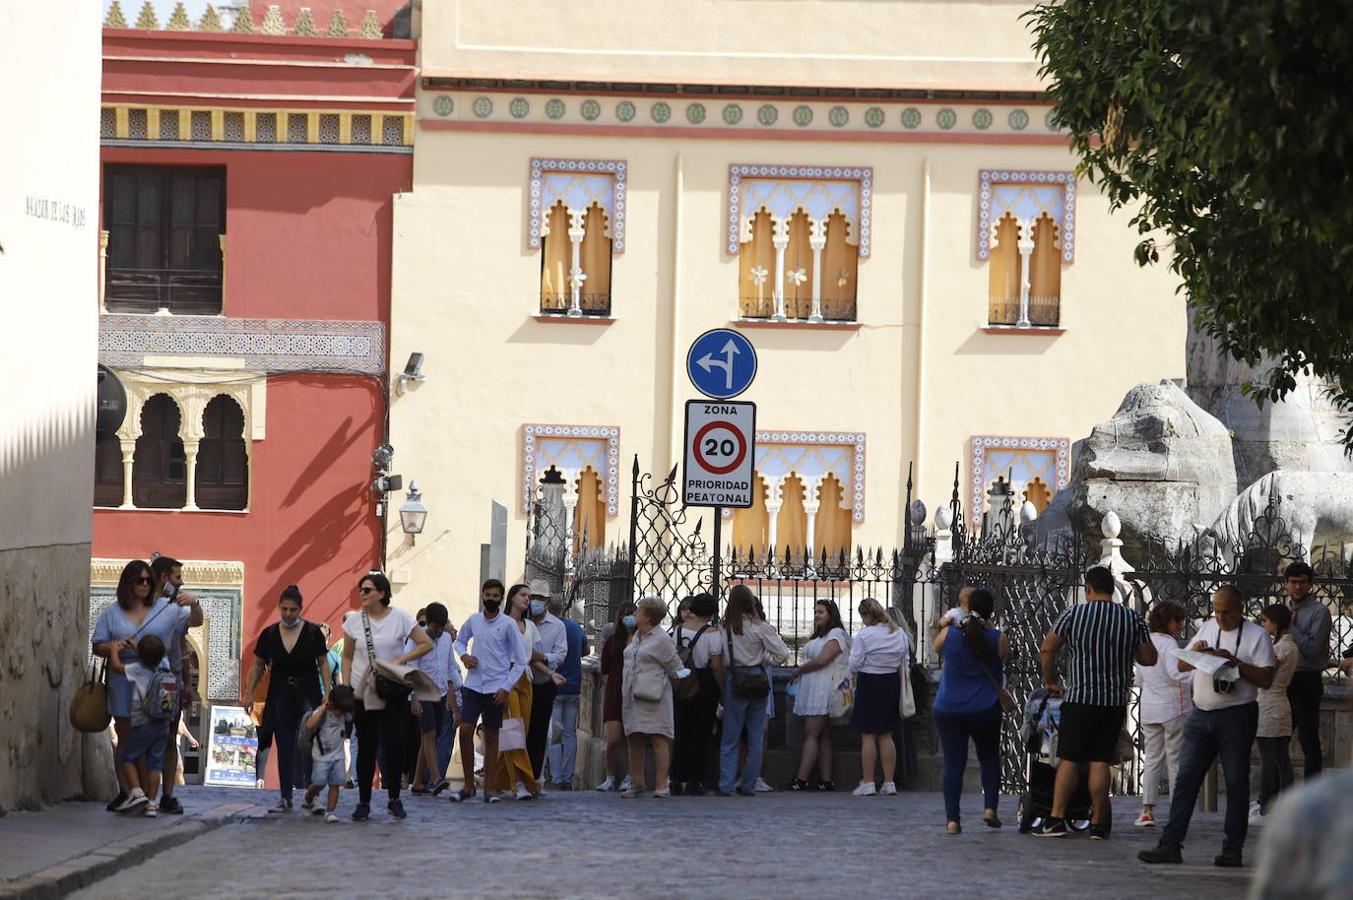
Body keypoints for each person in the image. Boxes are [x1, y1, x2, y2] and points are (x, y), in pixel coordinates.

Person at [1139, 585, 1277, 868]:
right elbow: (1180, 665)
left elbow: (1266, 679)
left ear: (1240, 609)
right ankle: (1170, 844)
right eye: (1216, 610)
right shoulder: (1207, 628)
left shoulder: (1257, 636)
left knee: (1237, 782)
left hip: (1237, 716)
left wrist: (1234, 662)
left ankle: (1232, 849)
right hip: (1201, 714)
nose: (1220, 617)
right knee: (1186, 779)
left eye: (1226, 612)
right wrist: (1198, 653)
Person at [1036, 566, 1155, 838]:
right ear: (1112, 589)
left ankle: (1056, 819)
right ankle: (1099, 823)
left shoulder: (1074, 614)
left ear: (1087, 589)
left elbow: (1047, 647)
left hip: (1080, 698)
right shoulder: (1131, 618)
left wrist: (1051, 680)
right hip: (1113, 701)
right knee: (1101, 759)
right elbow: (1150, 658)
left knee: (1069, 758)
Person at [92, 560, 195, 813]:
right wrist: (115, 647)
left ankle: (151, 795)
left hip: (159, 686)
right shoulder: (112, 612)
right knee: (126, 737)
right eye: (140, 580)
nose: (146, 585)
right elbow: (98, 645)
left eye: (148, 580)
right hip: (123, 684)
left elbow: (193, 623)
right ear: (128, 583)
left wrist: (195, 602)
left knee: (161, 741)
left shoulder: (166, 608)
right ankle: (129, 792)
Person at [340, 572, 433, 821]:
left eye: (367, 590)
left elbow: (426, 643)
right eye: (361, 590)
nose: (362, 594)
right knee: (366, 746)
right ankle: (363, 801)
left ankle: (394, 798)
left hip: (392, 688)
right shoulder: (353, 622)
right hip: (364, 691)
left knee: (395, 745)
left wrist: (401, 660)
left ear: (382, 593)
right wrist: (346, 686)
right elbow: (347, 656)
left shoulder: (400, 617)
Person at [241, 585, 330, 813]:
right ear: (279, 608)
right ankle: (285, 797)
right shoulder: (270, 634)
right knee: (284, 745)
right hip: (280, 695)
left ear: (300, 609)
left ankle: (313, 796)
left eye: (293, 610)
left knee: (310, 745)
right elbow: (258, 665)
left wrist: (328, 691)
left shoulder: (312, 633)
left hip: (307, 693)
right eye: (284, 609)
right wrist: (249, 693)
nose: (288, 614)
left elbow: (322, 662)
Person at [931, 588, 1007, 832]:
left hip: (948, 707)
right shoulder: (997, 637)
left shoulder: (950, 634)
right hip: (984, 707)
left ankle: (952, 820)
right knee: (989, 758)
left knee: (953, 765)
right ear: (991, 610)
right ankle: (990, 808)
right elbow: (1002, 658)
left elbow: (936, 648)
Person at [450, 579, 528, 804]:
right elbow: (459, 641)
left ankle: (490, 789)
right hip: (473, 685)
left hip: (496, 687)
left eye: (496, 596)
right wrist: (464, 655)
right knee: (465, 730)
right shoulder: (474, 620)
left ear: (501, 598)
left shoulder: (508, 624)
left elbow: (521, 661)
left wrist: (506, 687)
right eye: (488, 595)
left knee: (492, 737)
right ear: (482, 595)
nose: (491, 599)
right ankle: (468, 785)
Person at [719, 585, 789, 797]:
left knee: (730, 737)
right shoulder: (760, 626)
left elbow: (721, 657)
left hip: (735, 678)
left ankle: (725, 783)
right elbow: (783, 654)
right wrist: (765, 661)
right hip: (757, 679)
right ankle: (749, 784)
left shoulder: (726, 627)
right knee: (756, 736)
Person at [497, 584, 564, 800]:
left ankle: (500, 777)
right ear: (512, 598)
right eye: (524, 595)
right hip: (507, 678)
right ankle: (522, 782)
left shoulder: (530, 627)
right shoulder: (501, 623)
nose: (528, 599)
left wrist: (550, 673)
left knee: (521, 733)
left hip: (526, 678)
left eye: (531, 596)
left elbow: (531, 657)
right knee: (512, 729)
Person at [148, 555, 203, 815]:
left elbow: (192, 627)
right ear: (163, 578)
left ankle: (167, 794)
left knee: (169, 738)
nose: (180, 583)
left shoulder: (177, 609)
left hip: (169, 685)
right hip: (142, 681)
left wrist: (187, 683)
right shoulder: (138, 607)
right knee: (140, 738)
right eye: (177, 577)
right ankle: (140, 792)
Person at [620, 596, 689, 797]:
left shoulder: (661, 639)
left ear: (648, 616)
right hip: (632, 694)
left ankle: (661, 784)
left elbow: (677, 668)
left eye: (638, 611)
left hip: (654, 696)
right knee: (634, 737)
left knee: (658, 737)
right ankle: (637, 782)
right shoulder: (635, 636)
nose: (634, 614)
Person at [1134, 600, 1193, 828]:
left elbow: (1139, 679)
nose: (1180, 625)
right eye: (1177, 620)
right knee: (1175, 760)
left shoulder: (1143, 643)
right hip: (1173, 707)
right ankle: (1176, 811)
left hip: (1150, 706)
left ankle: (1147, 809)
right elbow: (1176, 673)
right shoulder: (1171, 645)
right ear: (1166, 621)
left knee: (1152, 759)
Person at [106, 634, 175, 815]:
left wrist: (114, 650)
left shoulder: (137, 668)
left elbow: (116, 667)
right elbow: (153, 657)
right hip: (162, 724)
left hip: (142, 722)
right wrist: (140, 649)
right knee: (154, 764)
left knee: (127, 757)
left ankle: (137, 791)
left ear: (140, 656)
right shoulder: (165, 664)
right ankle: (152, 804)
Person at [848, 597, 908, 798]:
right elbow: (904, 659)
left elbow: (854, 664)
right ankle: (889, 782)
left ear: (866, 615)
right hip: (891, 682)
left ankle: (868, 782)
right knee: (886, 734)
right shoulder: (898, 632)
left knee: (867, 734)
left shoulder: (865, 635)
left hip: (869, 682)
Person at [787, 599, 849, 792]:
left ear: (831, 615)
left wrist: (799, 670)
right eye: (815, 612)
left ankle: (801, 779)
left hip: (823, 688)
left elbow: (823, 660)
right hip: (814, 687)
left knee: (811, 733)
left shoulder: (836, 634)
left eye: (821, 612)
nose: (816, 615)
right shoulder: (819, 637)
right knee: (822, 736)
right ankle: (826, 780)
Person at [670, 593, 724, 796]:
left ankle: (676, 778)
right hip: (705, 682)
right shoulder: (712, 633)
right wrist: (722, 689)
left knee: (681, 731)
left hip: (683, 680)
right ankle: (696, 779)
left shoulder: (678, 630)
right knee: (701, 734)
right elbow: (717, 665)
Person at [1282, 562, 1331, 778]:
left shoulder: (1320, 612)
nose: (1298, 587)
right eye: (1293, 582)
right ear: (1286, 585)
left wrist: (1290, 627)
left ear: (1310, 585)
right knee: (1279, 739)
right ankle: (1276, 796)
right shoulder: (1283, 610)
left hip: (1306, 680)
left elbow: (1312, 649)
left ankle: (1312, 797)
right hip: (1282, 680)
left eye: (1302, 583)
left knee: (1308, 741)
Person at [408, 602, 462, 795]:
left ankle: (417, 782)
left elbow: (449, 670)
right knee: (429, 735)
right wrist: (413, 698)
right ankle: (437, 778)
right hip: (422, 693)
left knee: (429, 737)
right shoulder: (416, 639)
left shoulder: (446, 639)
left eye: (441, 628)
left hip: (439, 694)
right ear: (428, 622)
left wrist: (454, 702)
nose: (438, 632)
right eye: (434, 628)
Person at [1252, 604, 1299, 824]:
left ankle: (1266, 807)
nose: (1263, 624)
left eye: (1265, 620)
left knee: (1269, 761)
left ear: (1276, 623)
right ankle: (1285, 806)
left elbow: (1263, 674)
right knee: (1281, 759)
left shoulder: (1280, 649)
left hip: (1269, 706)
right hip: (1280, 705)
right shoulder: (1286, 646)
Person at [546, 594, 589, 790]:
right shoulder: (574, 627)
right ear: (564, 608)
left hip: (553, 686)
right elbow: (586, 651)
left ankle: (555, 775)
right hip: (573, 685)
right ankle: (567, 774)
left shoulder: (548, 628)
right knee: (570, 732)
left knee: (555, 733)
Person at [527, 580, 568, 786]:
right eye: (532, 597)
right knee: (519, 731)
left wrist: (540, 657)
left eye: (540, 598)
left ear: (547, 600)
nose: (535, 602)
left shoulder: (557, 626)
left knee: (541, 732)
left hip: (544, 684)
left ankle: (536, 776)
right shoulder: (520, 622)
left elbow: (560, 655)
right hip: (522, 683)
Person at [596, 600, 638, 792]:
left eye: (632, 613)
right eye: (625, 614)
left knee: (633, 739)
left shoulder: (641, 639)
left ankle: (631, 776)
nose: (628, 617)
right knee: (612, 740)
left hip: (635, 692)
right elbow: (604, 670)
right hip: (615, 691)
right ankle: (610, 777)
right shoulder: (613, 641)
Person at [301, 684, 357, 823]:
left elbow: (351, 712)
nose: (340, 714)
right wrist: (323, 708)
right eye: (338, 710)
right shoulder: (322, 712)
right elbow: (309, 725)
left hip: (338, 755)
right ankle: (309, 795)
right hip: (321, 755)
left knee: (335, 783)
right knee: (319, 782)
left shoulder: (345, 713)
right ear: (332, 704)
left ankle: (330, 812)